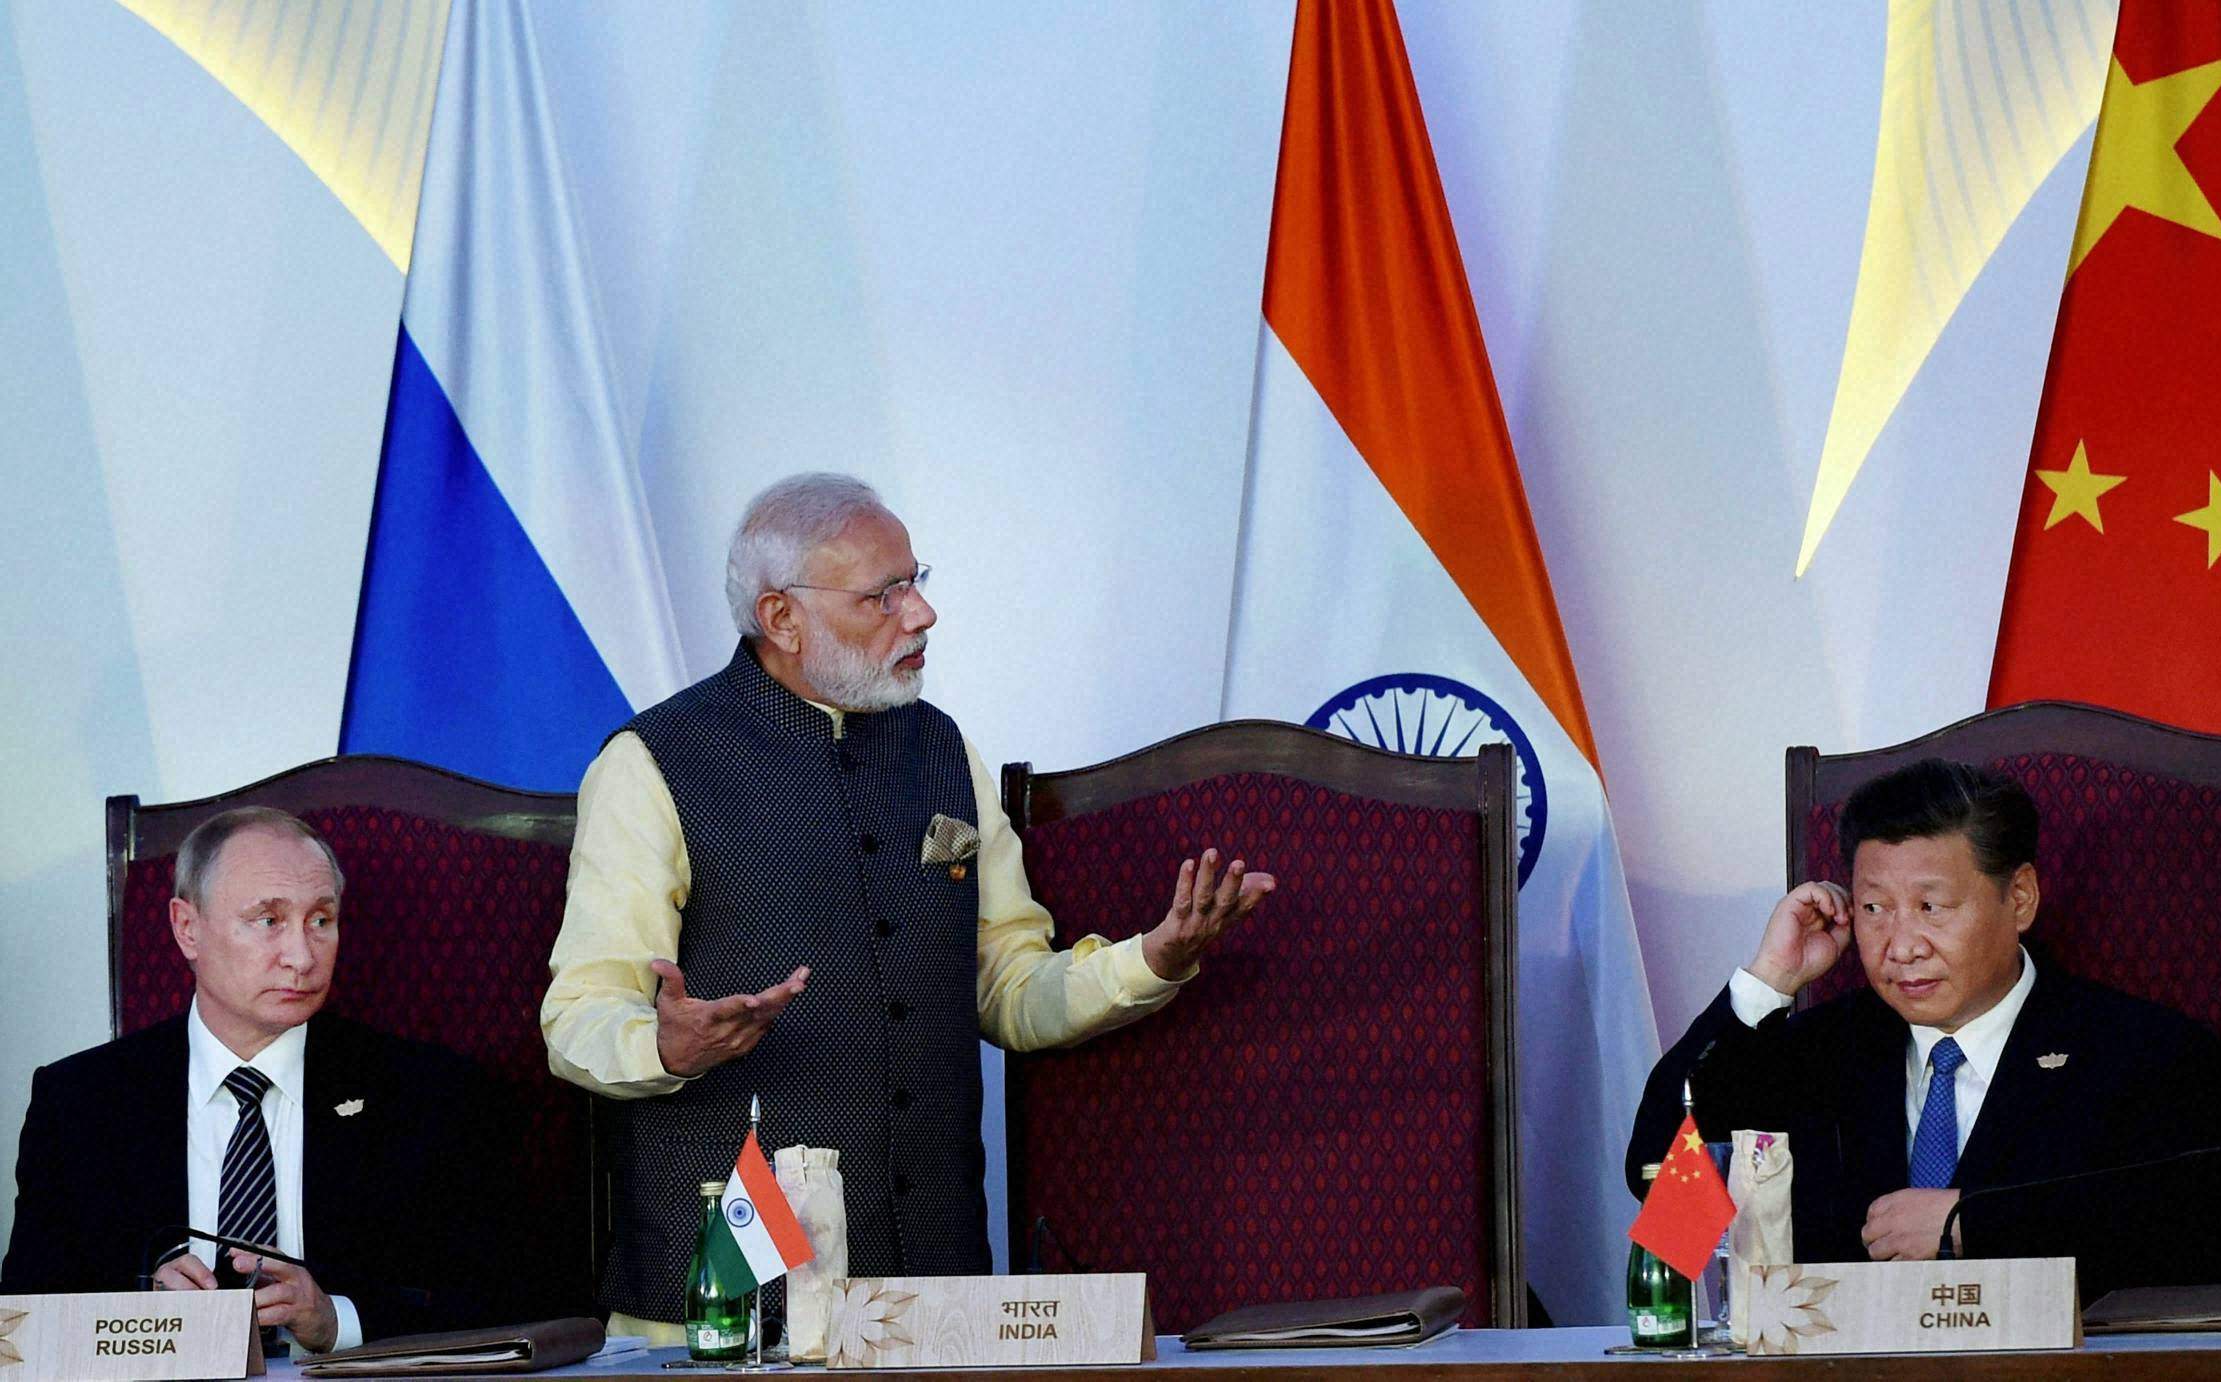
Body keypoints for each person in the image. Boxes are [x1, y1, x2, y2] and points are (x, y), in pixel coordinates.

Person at [543, 473, 1276, 1335]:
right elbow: (578, 1017)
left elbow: (1007, 986)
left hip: (936, 1306)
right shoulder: (654, 764)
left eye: (917, 581)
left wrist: (1153, 959)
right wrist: (660, 1045)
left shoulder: (943, 750)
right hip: (725, 1313)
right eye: (883, 595)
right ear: (781, 619)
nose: (920, 614)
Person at [1626, 758, 2221, 1301]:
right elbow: (1667, 1196)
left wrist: (1975, 1224)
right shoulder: (1812, 1054)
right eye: (1874, 909)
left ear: (2020, 897)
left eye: (1931, 906)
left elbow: (2196, 1239)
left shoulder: (2144, 1053)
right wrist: (1769, 981)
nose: (1901, 946)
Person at [1, 807, 508, 1349]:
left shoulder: (432, 1095)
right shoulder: (80, 1103)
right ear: (187, 928)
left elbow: (515, 1299)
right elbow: (22, 1326)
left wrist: (338, 1321)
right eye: (268, 920)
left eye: (320, 920)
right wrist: (138, 1319)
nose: (302, 956)